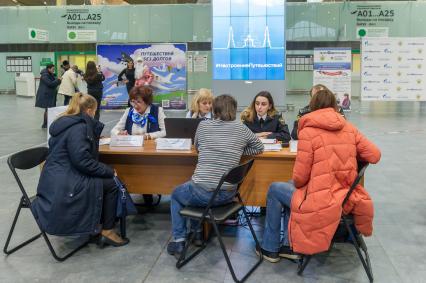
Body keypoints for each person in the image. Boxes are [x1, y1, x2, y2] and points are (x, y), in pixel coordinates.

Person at [257, 89, 381, 263]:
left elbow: (300, 179)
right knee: (287, 186)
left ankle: (270, 248)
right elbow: (374, 155)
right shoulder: (350, 128)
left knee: (275, 189)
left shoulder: (308, 132)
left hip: (320, 199)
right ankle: (288, 245)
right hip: (344, 195)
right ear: (335, 107)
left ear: (313, 106)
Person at [167, 94, 264, 258]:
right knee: (195, 190)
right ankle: (197, 233)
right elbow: (259, 148)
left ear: (214, 109)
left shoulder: (203, 126)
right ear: (234, 110)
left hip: (202, 193)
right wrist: (239, 150)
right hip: (228, 195)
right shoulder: (242, 128)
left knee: (178, 194)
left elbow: (197, 147)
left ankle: (179, 240)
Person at [32, 93, 129, 247]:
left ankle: (98, 223)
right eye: (95, 111)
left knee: (104, 181)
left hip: (54, 179)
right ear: (90, 111)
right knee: (111, 184)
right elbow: (82, 161)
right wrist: (109, 171)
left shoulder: (65, 122)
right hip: (67, 182)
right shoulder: (80, 128)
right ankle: (107, 230)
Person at [111, 85, 166, 206]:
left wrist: (148, 136)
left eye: (139, 102)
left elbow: (165, 132)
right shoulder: (128, 111)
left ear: (147, 102)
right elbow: (113, 130)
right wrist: (119, 133)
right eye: (133, 101)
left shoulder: (157, 111)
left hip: (151, 154)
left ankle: (148, 190)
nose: (135, 105)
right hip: (131, 153)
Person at [35, 64, 62, 128]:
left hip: (49, 94)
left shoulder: (49, 74)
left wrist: (58, 80)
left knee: (49, 109)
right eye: (52, 69)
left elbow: (53, 83)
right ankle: (45, 124)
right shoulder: (45, 75)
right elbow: (50, 84)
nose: (53, 70)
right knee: (48, 109)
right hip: (46, 95)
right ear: (48, 69)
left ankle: (46, 123)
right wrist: (58, 80)